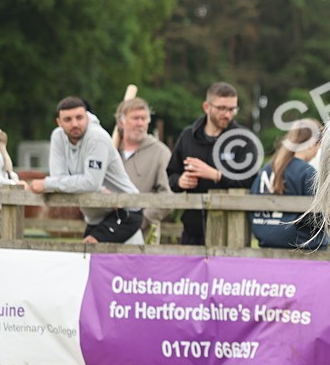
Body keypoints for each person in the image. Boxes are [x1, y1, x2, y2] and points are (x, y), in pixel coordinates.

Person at [29, 97, 144, 244]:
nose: (75, 124)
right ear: (59, 122)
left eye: (79, 117)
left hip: (124, 210)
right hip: (96, 215)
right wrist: (97, 189)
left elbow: (90, 183)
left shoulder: (97, 137)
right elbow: (59, 178)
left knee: (90, 251)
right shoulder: (57, 136)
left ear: (87, 117)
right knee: (88, 260)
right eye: (68, 119)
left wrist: (47, 184)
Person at [167, 82, 259, 245]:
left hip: (232, 230)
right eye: (221, 108)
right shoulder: (188, 136)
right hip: (193, 228)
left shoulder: (244, 139)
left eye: (232, 109)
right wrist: (180, 181)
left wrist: (216, 176)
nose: (227, 115)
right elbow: (171, 175)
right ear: (206, 107)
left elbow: (251, 182)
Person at [250, 120, 329, 250]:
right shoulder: (307, 172)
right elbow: (319, 217)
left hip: (264, 236)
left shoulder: (267, 169)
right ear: (311, 144)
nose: (316, 153)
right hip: (297, 242)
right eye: (317, 147)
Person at [112, 97, 172, 239]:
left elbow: (168, 196)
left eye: (144, 118)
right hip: (106, 230)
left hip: (143, 234)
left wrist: (140, 220)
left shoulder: (160, 153)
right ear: (121, 122)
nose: (140, 123)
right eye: (135, 118)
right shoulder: (110, 151)